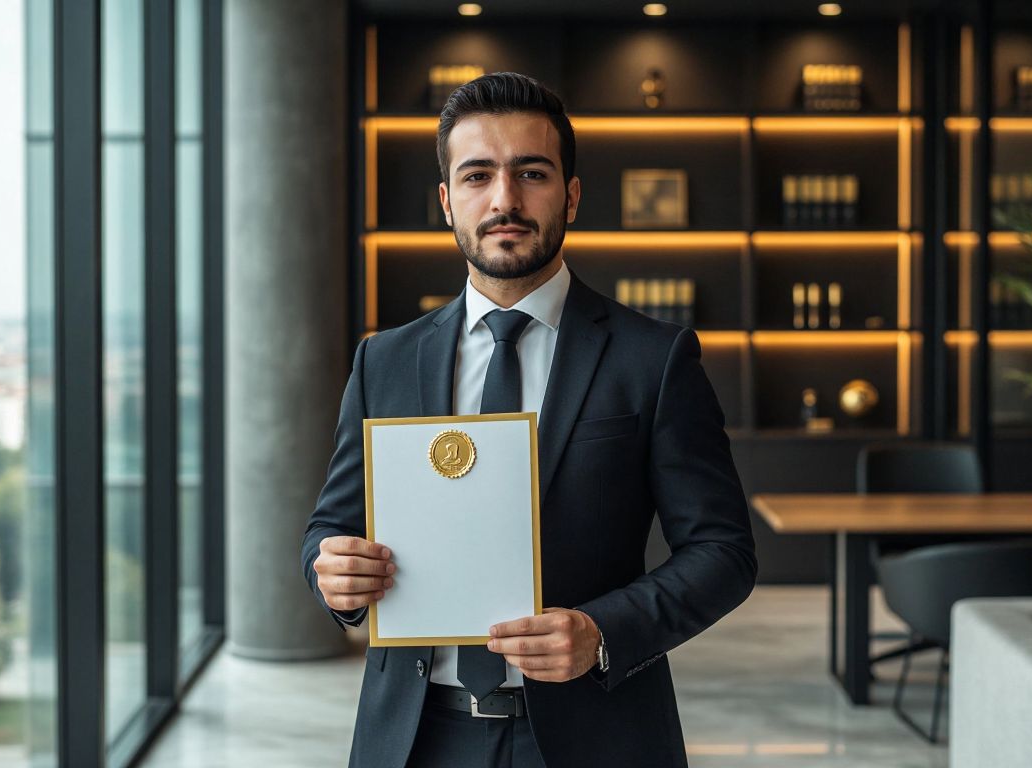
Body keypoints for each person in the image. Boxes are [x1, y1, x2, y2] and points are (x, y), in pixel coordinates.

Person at [301, 72, 757, 768]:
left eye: (532, 173)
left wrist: (602, 631)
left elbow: (723, 551)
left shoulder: (653, 359)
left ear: (570, 194)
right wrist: (331, 574)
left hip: (598, 736)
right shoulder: (384, 361)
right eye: (478, 175)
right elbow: (329, 531)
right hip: (416, 739)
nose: (505, 200)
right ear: (448, 201)